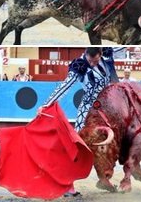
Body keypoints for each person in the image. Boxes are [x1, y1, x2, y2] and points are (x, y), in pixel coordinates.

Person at [38, 47, 118, 197]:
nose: (93, 64)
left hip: (110, 107)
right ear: (86, 56)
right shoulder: (79, 66)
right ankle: (68, 185)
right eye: (90, 61)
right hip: (89, 110)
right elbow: (65, 85)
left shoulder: (106, 53)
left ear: (100, 55)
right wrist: (47, 104)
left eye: (96, 61)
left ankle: (106, 178)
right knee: (78, 147)